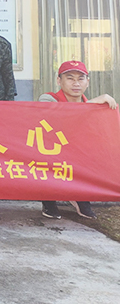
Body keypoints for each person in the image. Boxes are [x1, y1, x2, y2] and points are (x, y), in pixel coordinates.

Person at [38, 60, 117, 220]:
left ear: (87, 82)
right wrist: (91, 104)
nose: (76, 83)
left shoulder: (96, 107)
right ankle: (48, 199)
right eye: (70, 78)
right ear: (59, 80)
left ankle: (80, 196)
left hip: (79, 155)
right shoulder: (47, 98)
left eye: (80, 79)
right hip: (51, 153)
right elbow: (58, 116)